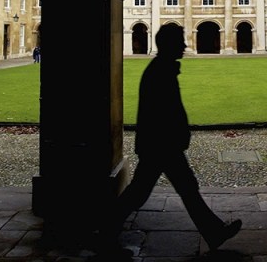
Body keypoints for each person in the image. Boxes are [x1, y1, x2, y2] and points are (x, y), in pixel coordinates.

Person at [100, 23, 242, 257]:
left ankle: (214, 231)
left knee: (182, 188)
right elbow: (163, 112)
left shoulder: (162, 68)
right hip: (161, 145)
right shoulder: (161, 71)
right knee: (144, 193)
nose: (185, 45)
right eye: (180, 42)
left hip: (160, 144)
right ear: (169, 44)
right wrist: (178, 135)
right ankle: (104, 233)